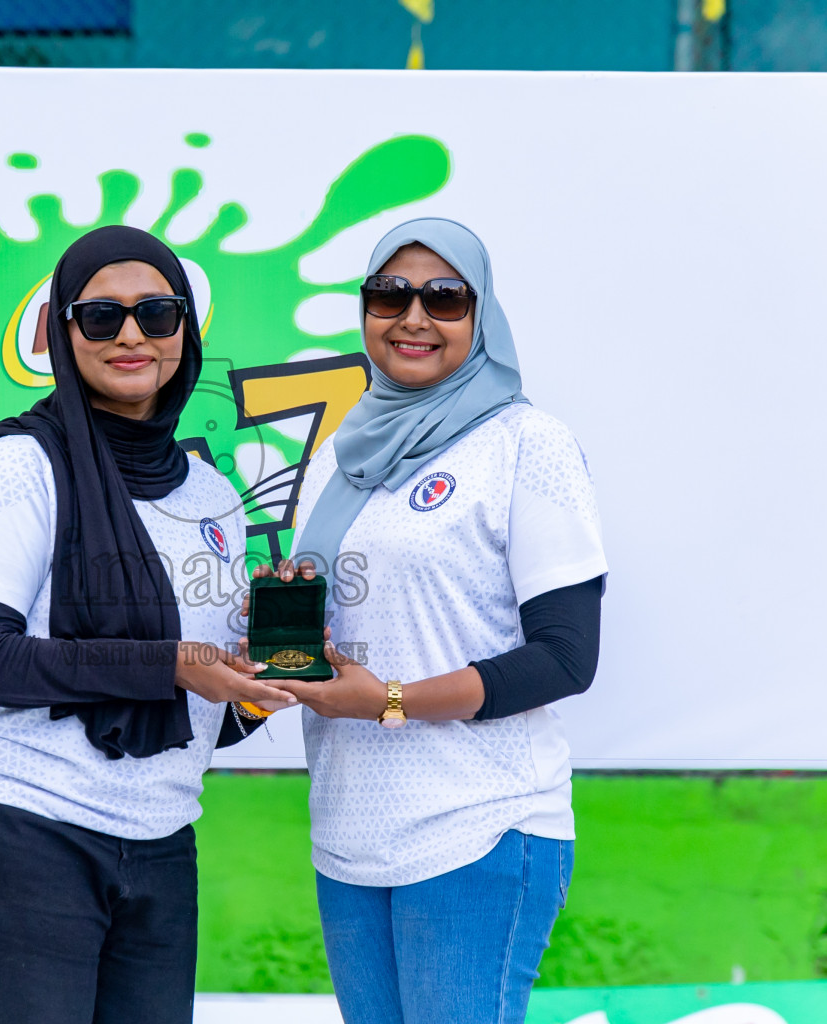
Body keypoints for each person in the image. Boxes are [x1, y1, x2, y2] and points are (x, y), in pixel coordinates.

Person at [0, 225, 296, 1024]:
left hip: (160, 843)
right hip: (18, 837)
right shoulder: (18, 468)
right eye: (101, 316)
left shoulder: (211, 496)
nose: (132, 335)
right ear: (60, 336)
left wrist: (253, 688)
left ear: (186, 333)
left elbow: (187, 707)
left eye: (157, 314)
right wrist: (171, 662)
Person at [254, 218, 607, 1024]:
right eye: (390, 294)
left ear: (481, 318)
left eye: (445, 298)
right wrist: (282, 632)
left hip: (479, 826)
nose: (414, 317)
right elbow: (357, 626)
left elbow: (565, 657)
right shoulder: (344, 451)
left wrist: (391, 700)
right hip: (351, 830)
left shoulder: (526, 444)